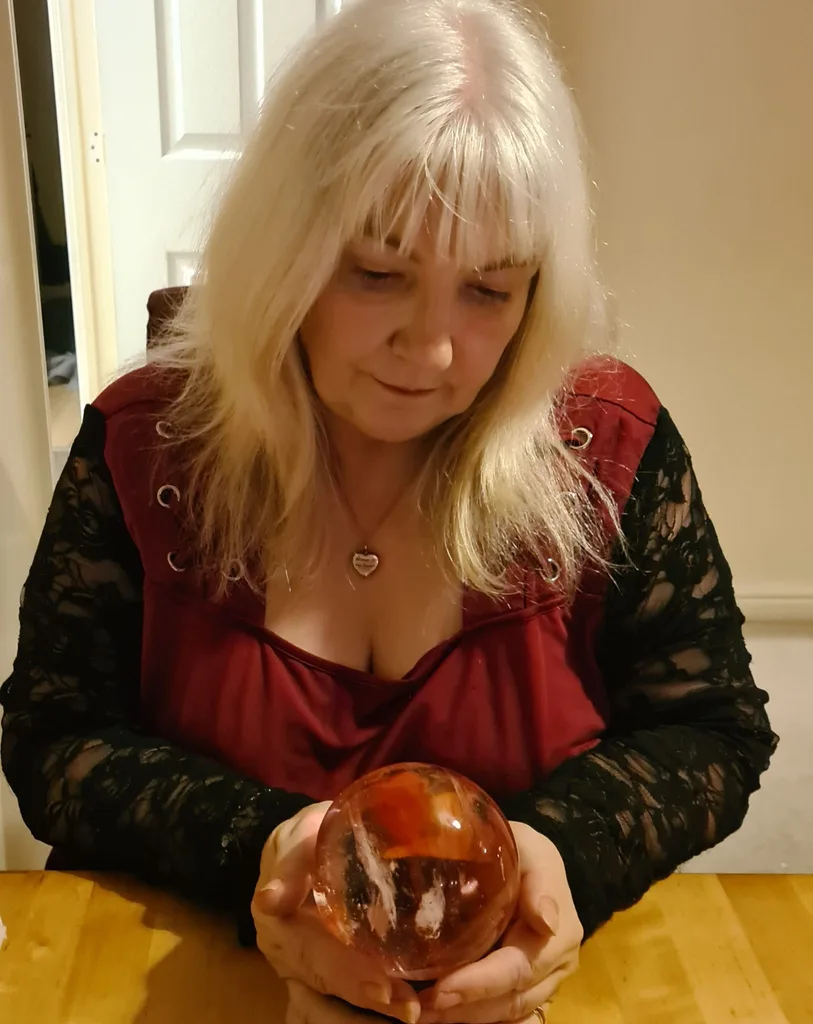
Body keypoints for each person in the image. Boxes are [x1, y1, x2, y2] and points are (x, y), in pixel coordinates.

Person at [1, 1, 778, 1022]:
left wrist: (553, 852)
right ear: (284, 252)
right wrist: (266, 851)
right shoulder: (147, 449)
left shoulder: (607, 447)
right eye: (376, 273)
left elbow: (712, 730)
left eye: (490, 291)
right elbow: (55, 736)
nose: (436, 350)